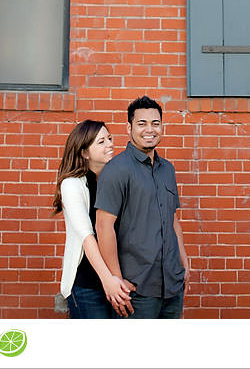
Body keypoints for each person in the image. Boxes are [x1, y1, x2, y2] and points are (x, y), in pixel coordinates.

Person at [95, 95, 190, 318]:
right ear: (129, 128)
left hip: (172, 285)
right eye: (142, 123)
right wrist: (116, 279)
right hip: (136, 289)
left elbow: (172, 219)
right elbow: (103, 227)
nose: (150, 129)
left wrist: (183, 262)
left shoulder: (168, 169)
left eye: (155, 123)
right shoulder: (117, 170)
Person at [53, 120, 135, 318]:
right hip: (88, 285)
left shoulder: (116, 180)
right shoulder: (72, 185)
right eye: (101, 142)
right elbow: (87, 237)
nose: (110, 144)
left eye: (109, 138)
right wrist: (108, 280)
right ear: (84, 153)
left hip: (119, 282)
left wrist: (122, 279)